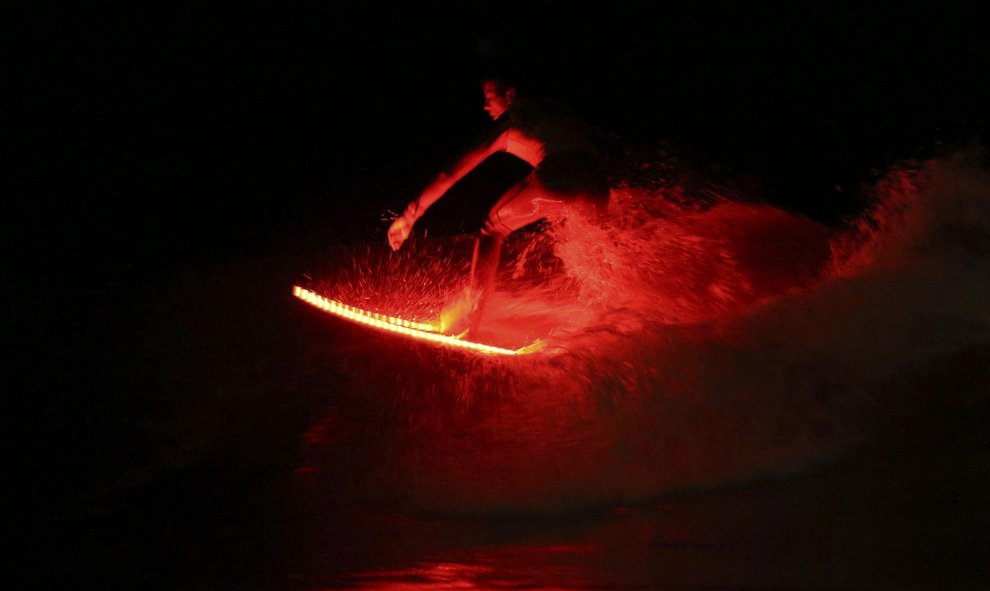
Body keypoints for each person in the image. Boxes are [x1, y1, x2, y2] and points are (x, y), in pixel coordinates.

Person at [387, 76, 610, 336]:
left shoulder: (513, 118)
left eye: (490, 95)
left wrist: (410, 215)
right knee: (592, 252)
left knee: (492, 228)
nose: (484, 105)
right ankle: (600, 322)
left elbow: (451, 174)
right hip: (599, 186)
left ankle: (472, 325)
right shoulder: (558, 110)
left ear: (510, 95)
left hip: (561, 174)